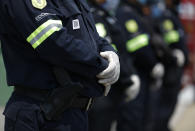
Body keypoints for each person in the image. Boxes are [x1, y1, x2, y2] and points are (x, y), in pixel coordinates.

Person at [0, 0, 120, 131]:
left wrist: (111, 53)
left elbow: (93, 36)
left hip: (73, 113)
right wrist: (101, 67)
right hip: (42, 113)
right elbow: (52, 40)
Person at [87, 0, 141, 131]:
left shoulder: (104, 14)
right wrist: (128, 79)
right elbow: (107, 54)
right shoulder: (93, 15)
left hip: (113, 88)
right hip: (102, 92)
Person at [115, 0, 164, 130]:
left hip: (143, 72)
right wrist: (153, 64)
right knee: (133, 119)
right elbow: (137, 45)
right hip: (135, 72)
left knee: (143, 118)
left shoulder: (135, 11)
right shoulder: (125, 13)